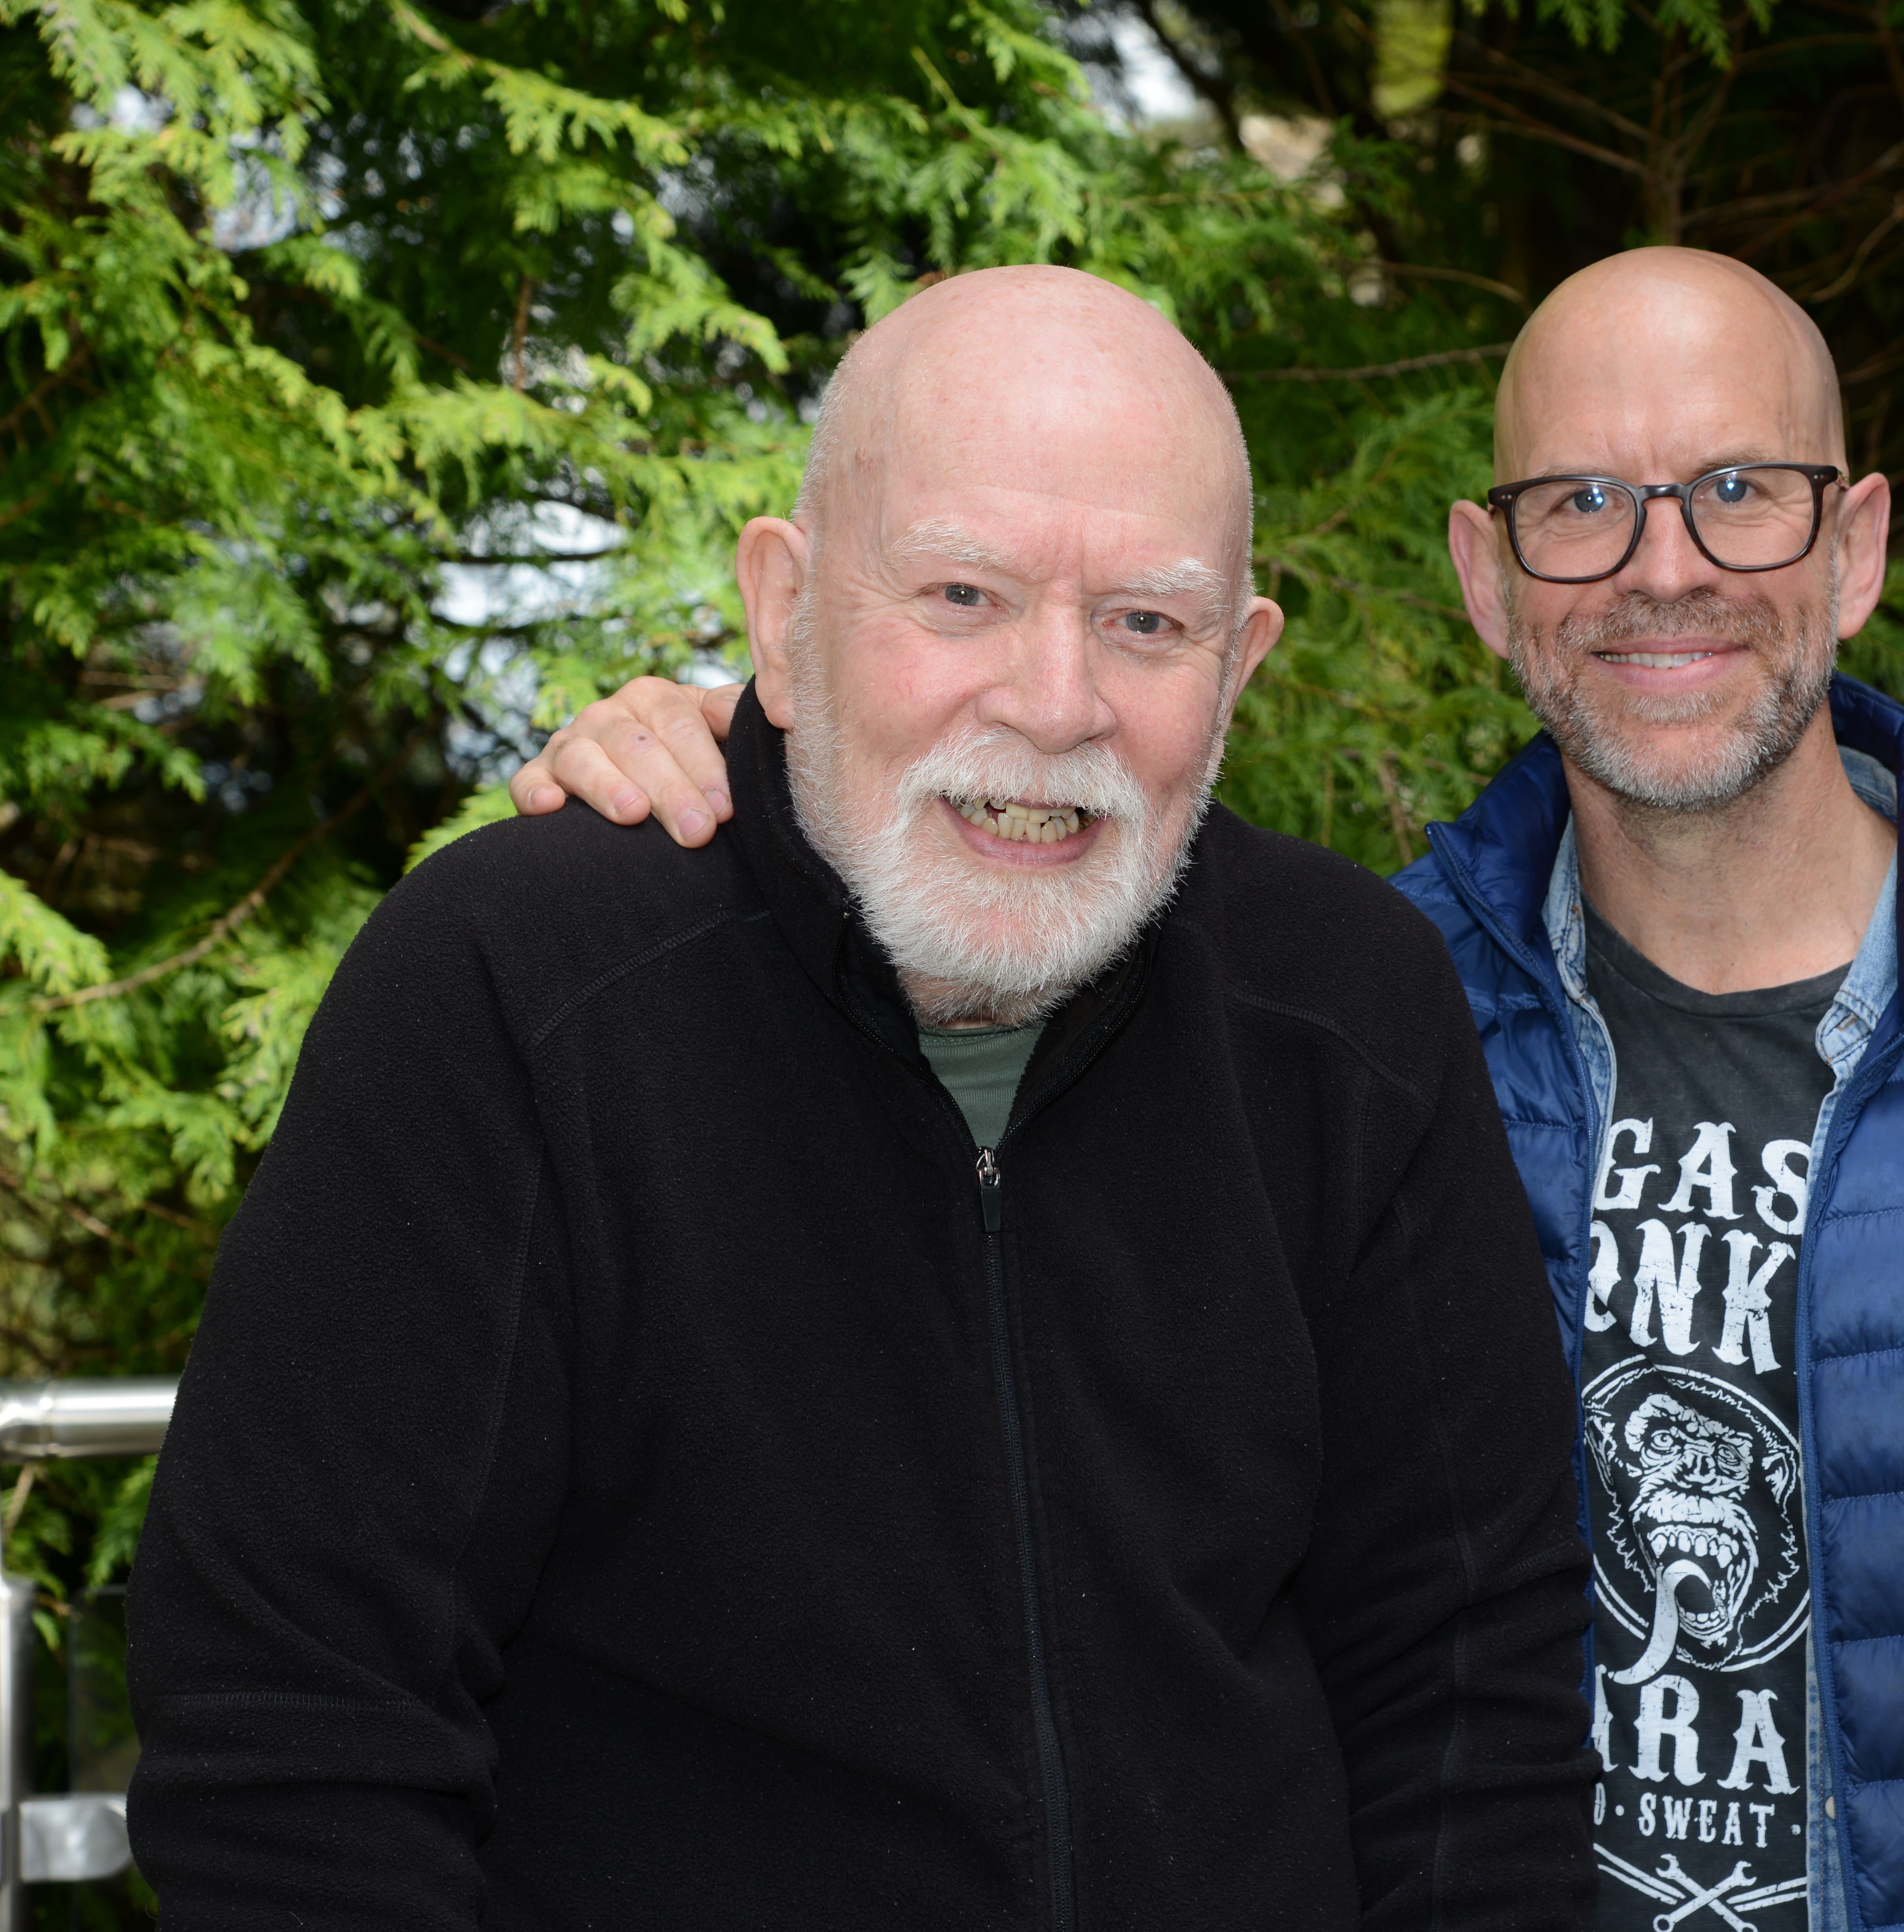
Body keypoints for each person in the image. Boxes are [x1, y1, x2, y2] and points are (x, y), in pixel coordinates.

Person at [515, 248, 1904, 1931]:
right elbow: (963, 879)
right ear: (1489, 584)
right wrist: (735, 748)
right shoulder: (1324, 1040)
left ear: (1857, 547)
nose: (1663, 566)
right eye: (1581, 504)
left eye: (1740, 493)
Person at [126, 267, 1598, 1930]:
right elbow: (295, 1736)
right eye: (961, 595)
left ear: (1238, 665)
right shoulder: (513, 996)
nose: (1055, 704)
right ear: (784, 608)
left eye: (1146, 622)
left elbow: (1472, 1710)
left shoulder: (1348, 1016)